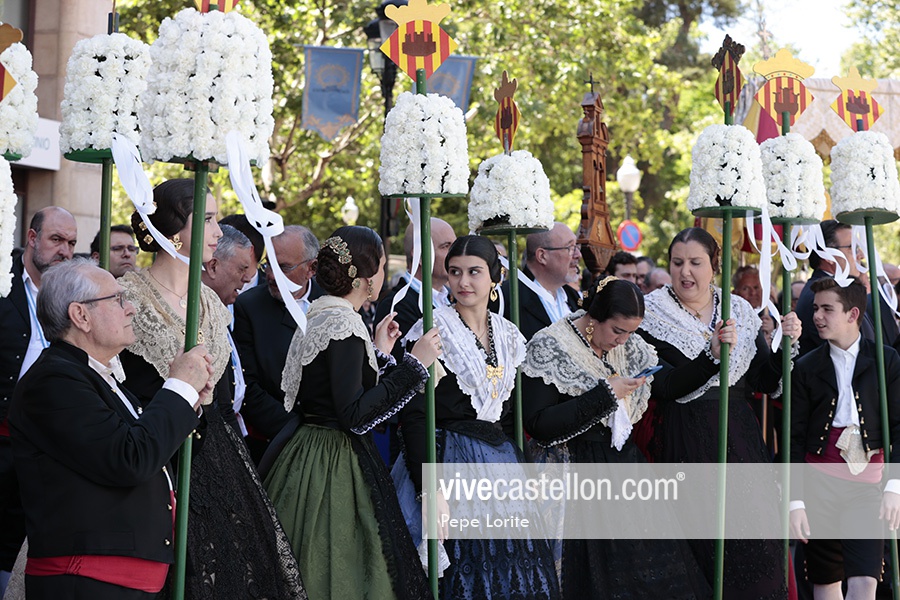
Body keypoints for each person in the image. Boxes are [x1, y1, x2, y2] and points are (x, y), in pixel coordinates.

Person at [118, 178, 306, 599]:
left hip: (218, 456)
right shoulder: (129, 297)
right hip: (157, 460)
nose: (218, 232)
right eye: (206, 219)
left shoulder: (211, 303)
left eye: (217, 219)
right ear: (173, 229)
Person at [9, 258, 213, 599]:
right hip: (87, 582)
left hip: (126, 580)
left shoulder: (98, 377)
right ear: (81, 315)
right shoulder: (54, 380)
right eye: (118, 299)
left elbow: (157, 458)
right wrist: (178, 388)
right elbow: (128, 459)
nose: (131, 308)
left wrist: (188, 400)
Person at [264, 226, 441, 600]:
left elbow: (336, 386)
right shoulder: (343, 322)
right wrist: (414, 366)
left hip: (307, 450)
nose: (383, 275)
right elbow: (354, 414)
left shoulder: (323, 312)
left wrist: (379, 352)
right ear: (366, 277)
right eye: (381, 266)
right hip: (332, 461)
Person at [522, 276, 717, 598]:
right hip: (573, 473)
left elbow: (668, 385)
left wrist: (710, 359)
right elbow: (538, 423)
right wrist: (603, 396)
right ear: (595, 317)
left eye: (630, 332)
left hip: (623, 468)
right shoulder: (551, 344)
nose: (623, 340)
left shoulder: (630, 346)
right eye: (617, 330)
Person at [637, 226, 801, 599]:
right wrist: (709, 358)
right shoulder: (650, 313)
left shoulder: (738, 309)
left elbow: (763, 379)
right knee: (702, 554)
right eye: (677, 262)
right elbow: (663, 386)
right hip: (685, 439)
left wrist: (785, 346)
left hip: (740, 439)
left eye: (695, 263)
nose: (685, 272)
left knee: (756, 546)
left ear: (715, 266)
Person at [393, 235, 561, 599]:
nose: (463, 282)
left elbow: (510, 415)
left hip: (502, 468)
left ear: (495, 278)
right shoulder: (431, 330)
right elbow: (415, 416)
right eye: (455, 272)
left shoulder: (509, 335)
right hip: (448, 462)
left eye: (474, 272)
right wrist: (429, 489)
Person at [790, 277, 900, 600]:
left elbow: (899, 426)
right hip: (818, 485)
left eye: (827, 309)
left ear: (853, 314)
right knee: (826, 581)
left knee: (865, 581)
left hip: (867, 486)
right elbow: (794, 438)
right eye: (815, 308)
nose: (817, 316)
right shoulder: (806, 367)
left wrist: (894, 486)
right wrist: (795, 500)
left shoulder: (886, 360)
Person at [0, 206, 77, 593]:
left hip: (51, 442)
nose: (65, 251)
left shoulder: (73, 293)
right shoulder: (3, 283)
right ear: (32, 239)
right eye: (56, 240)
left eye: (72, 243)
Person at [232, 225, 323, 462]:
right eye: (268, 265)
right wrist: (296, 434)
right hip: (273, 445)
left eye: (283, 267)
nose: (271, 275)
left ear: (311, 268)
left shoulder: (334, 302)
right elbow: (247, 385)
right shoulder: (250, 307)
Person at [797, 220, 899, 356]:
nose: (861, 255)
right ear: (829, 256)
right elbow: (844, 355)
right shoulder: (819, 295)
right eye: (853, 248)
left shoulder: (841, 290)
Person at [201, 225, 256, 436]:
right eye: (242, 269)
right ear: (213, 266)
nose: (247, 278)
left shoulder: (219, 310)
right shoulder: (197, 315)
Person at [373, 218, 457, 338]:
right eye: (446, 246)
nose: (456, 254)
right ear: (421, 255)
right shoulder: (396, 307)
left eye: (455, 246)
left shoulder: (451, 298)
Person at [505, 222, 582, 341]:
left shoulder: (573, 297)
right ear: (542, 256)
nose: (578, 255)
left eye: (576, 247)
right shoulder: (510, 298)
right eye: (570, 248)